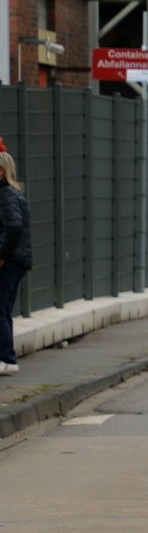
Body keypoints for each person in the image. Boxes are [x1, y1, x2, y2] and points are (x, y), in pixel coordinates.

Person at [0, 152, 31, 376]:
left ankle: (7, 359)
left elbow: (13, 227)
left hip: (10, 260)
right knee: (4, 308)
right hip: (17, 260)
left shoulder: (4, 194)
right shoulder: (12, 193)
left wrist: (1, 254)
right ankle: (7, 358)